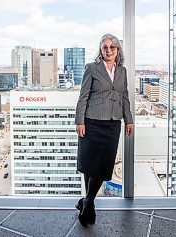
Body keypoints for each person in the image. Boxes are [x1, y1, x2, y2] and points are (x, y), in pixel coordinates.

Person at [74, 33, 134, 227]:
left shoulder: (122, 71)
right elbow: (83, 96)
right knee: (89, 164)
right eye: (105, 47)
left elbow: (124, 96)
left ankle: (87, 201)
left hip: (113, 123)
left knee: (103, 165)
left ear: (117, 50)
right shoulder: (91, 68)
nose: (108, 50)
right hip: (91, 122)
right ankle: (88, 206)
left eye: (112, 47)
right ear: (100, 50)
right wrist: (79, 121)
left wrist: (129, 119)